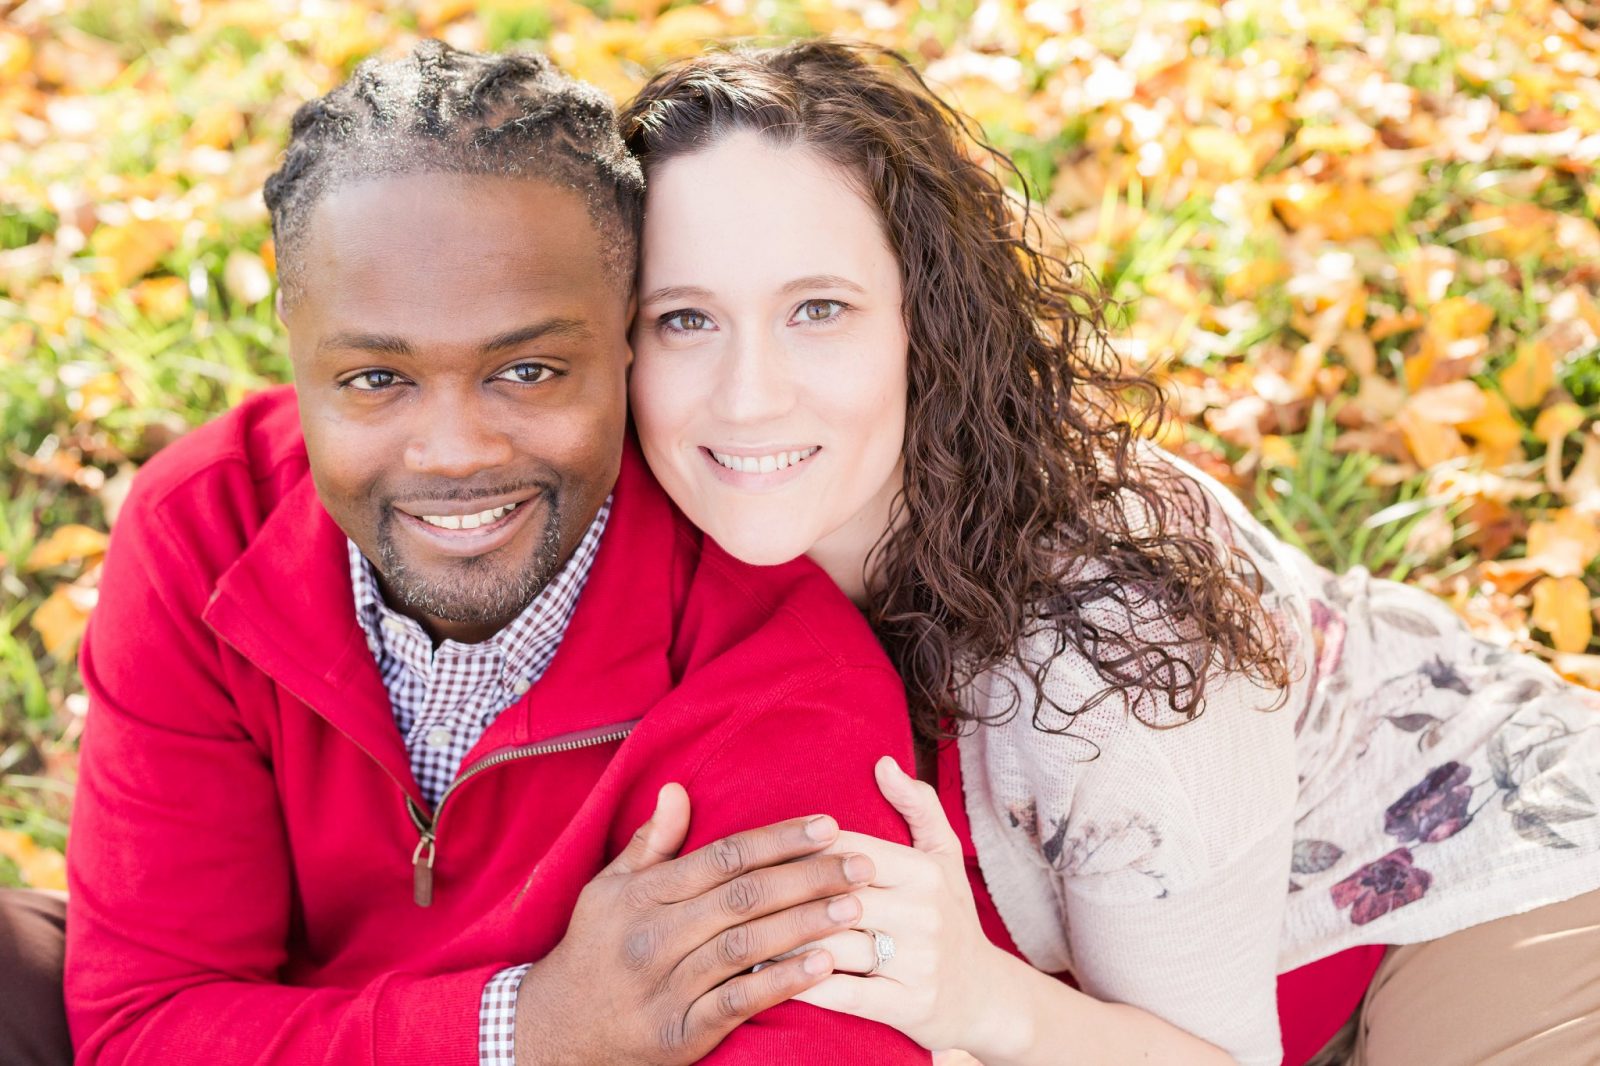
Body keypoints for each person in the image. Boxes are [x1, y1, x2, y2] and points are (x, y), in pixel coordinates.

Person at [619, 39, 1600, 1066]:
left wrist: (979, 998)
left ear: (930, 321)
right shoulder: (641, 535)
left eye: (817, 309)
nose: (746, 395)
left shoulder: (1117, 637)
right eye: (685, 319)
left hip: (1476, 889)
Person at [1, 41, 936, 1066]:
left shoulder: (771, 666)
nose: (454, 453)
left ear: (625, 339)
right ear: (293, 341)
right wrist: (522, 1030)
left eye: (527, 369)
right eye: (374, 378)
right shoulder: (206, 526)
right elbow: (143, 1025)